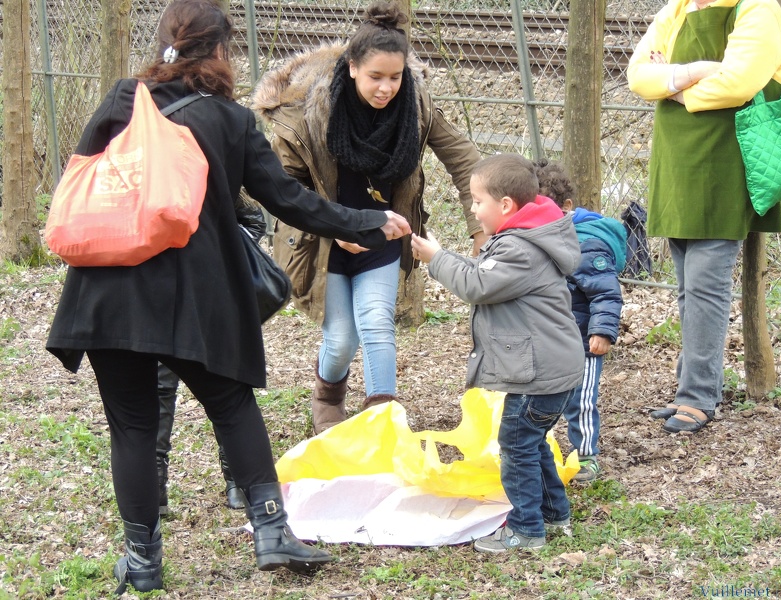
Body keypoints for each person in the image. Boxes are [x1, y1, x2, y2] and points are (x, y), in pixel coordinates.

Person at [45, 0, 410, 593]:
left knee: (132, 427)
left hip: (109, 296)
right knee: (232, 404)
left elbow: (79, 175)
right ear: (219, 51)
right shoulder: (230, 120)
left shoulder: (121, 100)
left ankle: (142, 560)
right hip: (195, 298)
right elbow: (288, 200)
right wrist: (365, 220)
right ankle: (271, 532)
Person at [250, 0, 488, 435]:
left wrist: (480, 224)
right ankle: (327, 394)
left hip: (384, 235)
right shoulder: (310, 112)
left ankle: (383, 421)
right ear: (352, 67)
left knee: (377, 323)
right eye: (375, 77)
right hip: (325, 240)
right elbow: (280, 185)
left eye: (395, 77)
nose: (385, 88)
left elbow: (463, 158)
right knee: (340, 340)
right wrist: (335, 227)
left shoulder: (414, 105)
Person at [627, 0, 781, 433]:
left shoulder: (756, 8)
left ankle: (699, 396)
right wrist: (699, 70)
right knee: (686, 285)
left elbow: (738, 83)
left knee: (704, 286)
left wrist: (674, 85)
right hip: (678, 162)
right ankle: (691, 387)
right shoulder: (675, 9)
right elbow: (638, 75)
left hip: (725, 161)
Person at [411, 153, 584, 553]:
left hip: (541, 372)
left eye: (476, 201)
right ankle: (554, 515)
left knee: (517, 443)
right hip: (551, 366)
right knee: (532, 439)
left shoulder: (519, 249)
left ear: (505, 205)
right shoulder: (527, 236)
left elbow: (476, 285)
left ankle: (525, 530)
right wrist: (443, 257)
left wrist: (436, 260)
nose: (472, 208)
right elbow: (481, 275)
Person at [156, 197, 267, 514]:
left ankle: (235, 482)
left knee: (225, 387)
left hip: (211, 298)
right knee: (160, 388)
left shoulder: (207, 167)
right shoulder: (147, 168)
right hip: (161, 294)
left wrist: (224, 255)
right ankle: (154, 489)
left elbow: (253, 218)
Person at [534, 159, 627, 483]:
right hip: (551, 339)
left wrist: (602, 332)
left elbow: (606, 293)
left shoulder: (587, 245)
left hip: (584, 340)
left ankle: (586, 455)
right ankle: (537, 450)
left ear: (567, 207)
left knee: (580, 399)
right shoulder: (539, 239)